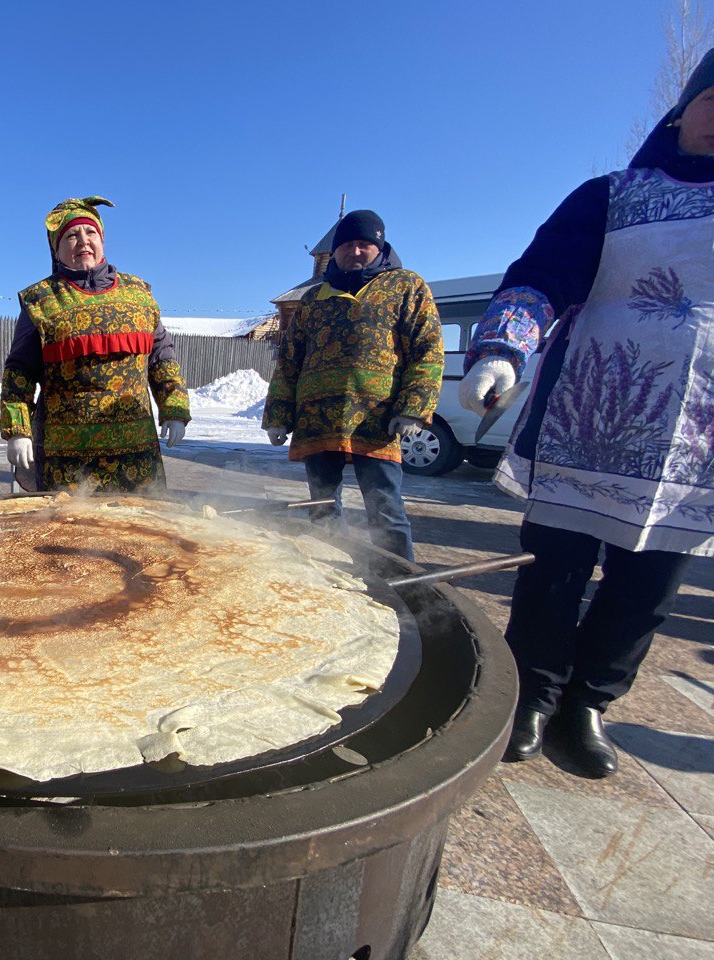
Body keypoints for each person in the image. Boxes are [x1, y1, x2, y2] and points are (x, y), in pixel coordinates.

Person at [458, 53, 714, 779]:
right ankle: (532, 694)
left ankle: (590, 703)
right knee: (553, 571)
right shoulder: (613, 196)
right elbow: (542, 275)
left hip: (698, 444)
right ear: (684, 109)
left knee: (649, 584)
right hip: (590, 421)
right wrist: (504, 348)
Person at [262, 210, 443, 562]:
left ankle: (401, 586)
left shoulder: (405, 286)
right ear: (336, 250)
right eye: (347, 245)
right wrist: (278, 414)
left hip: (375, 419)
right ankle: (329, 574)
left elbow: (428, 349)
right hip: (317, 421)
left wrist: (413, 408)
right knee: (322, 506)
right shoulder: (315, 298)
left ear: (379, 246)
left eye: (364, 244)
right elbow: (289, 360)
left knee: (385, 508)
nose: (355, 252)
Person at [0, 197, 190, 492]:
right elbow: (19, 371)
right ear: (56, 247)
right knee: (68, 531)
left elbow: (162, 357)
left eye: (90, 233)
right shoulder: (40, 301)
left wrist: (174, 408)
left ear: (102, 239)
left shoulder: (138, 295)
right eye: (72, 236)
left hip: (135, 451)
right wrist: (17, 430)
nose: (83, 242)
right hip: (67, 458)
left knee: (141, 532)